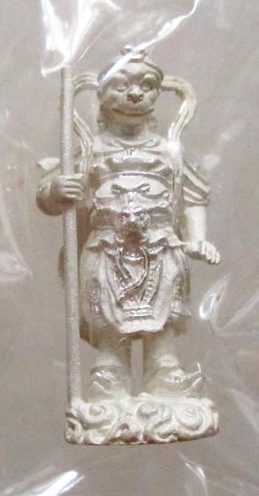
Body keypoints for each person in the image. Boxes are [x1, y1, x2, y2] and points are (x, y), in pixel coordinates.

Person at [37, 49, 219, 402]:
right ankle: (110, 374)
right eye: (121, 86)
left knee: (162, 320)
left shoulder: (170, 151)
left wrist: (197, 239)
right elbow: (47, 197)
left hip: (161, 245)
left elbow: (193, 196)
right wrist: (58, 190)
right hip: (106, 246)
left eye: (146, 86)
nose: (134, 94)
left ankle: (164, 370)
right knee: (108, 318)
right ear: (101, 93)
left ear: (159, 93)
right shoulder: (89, 149)